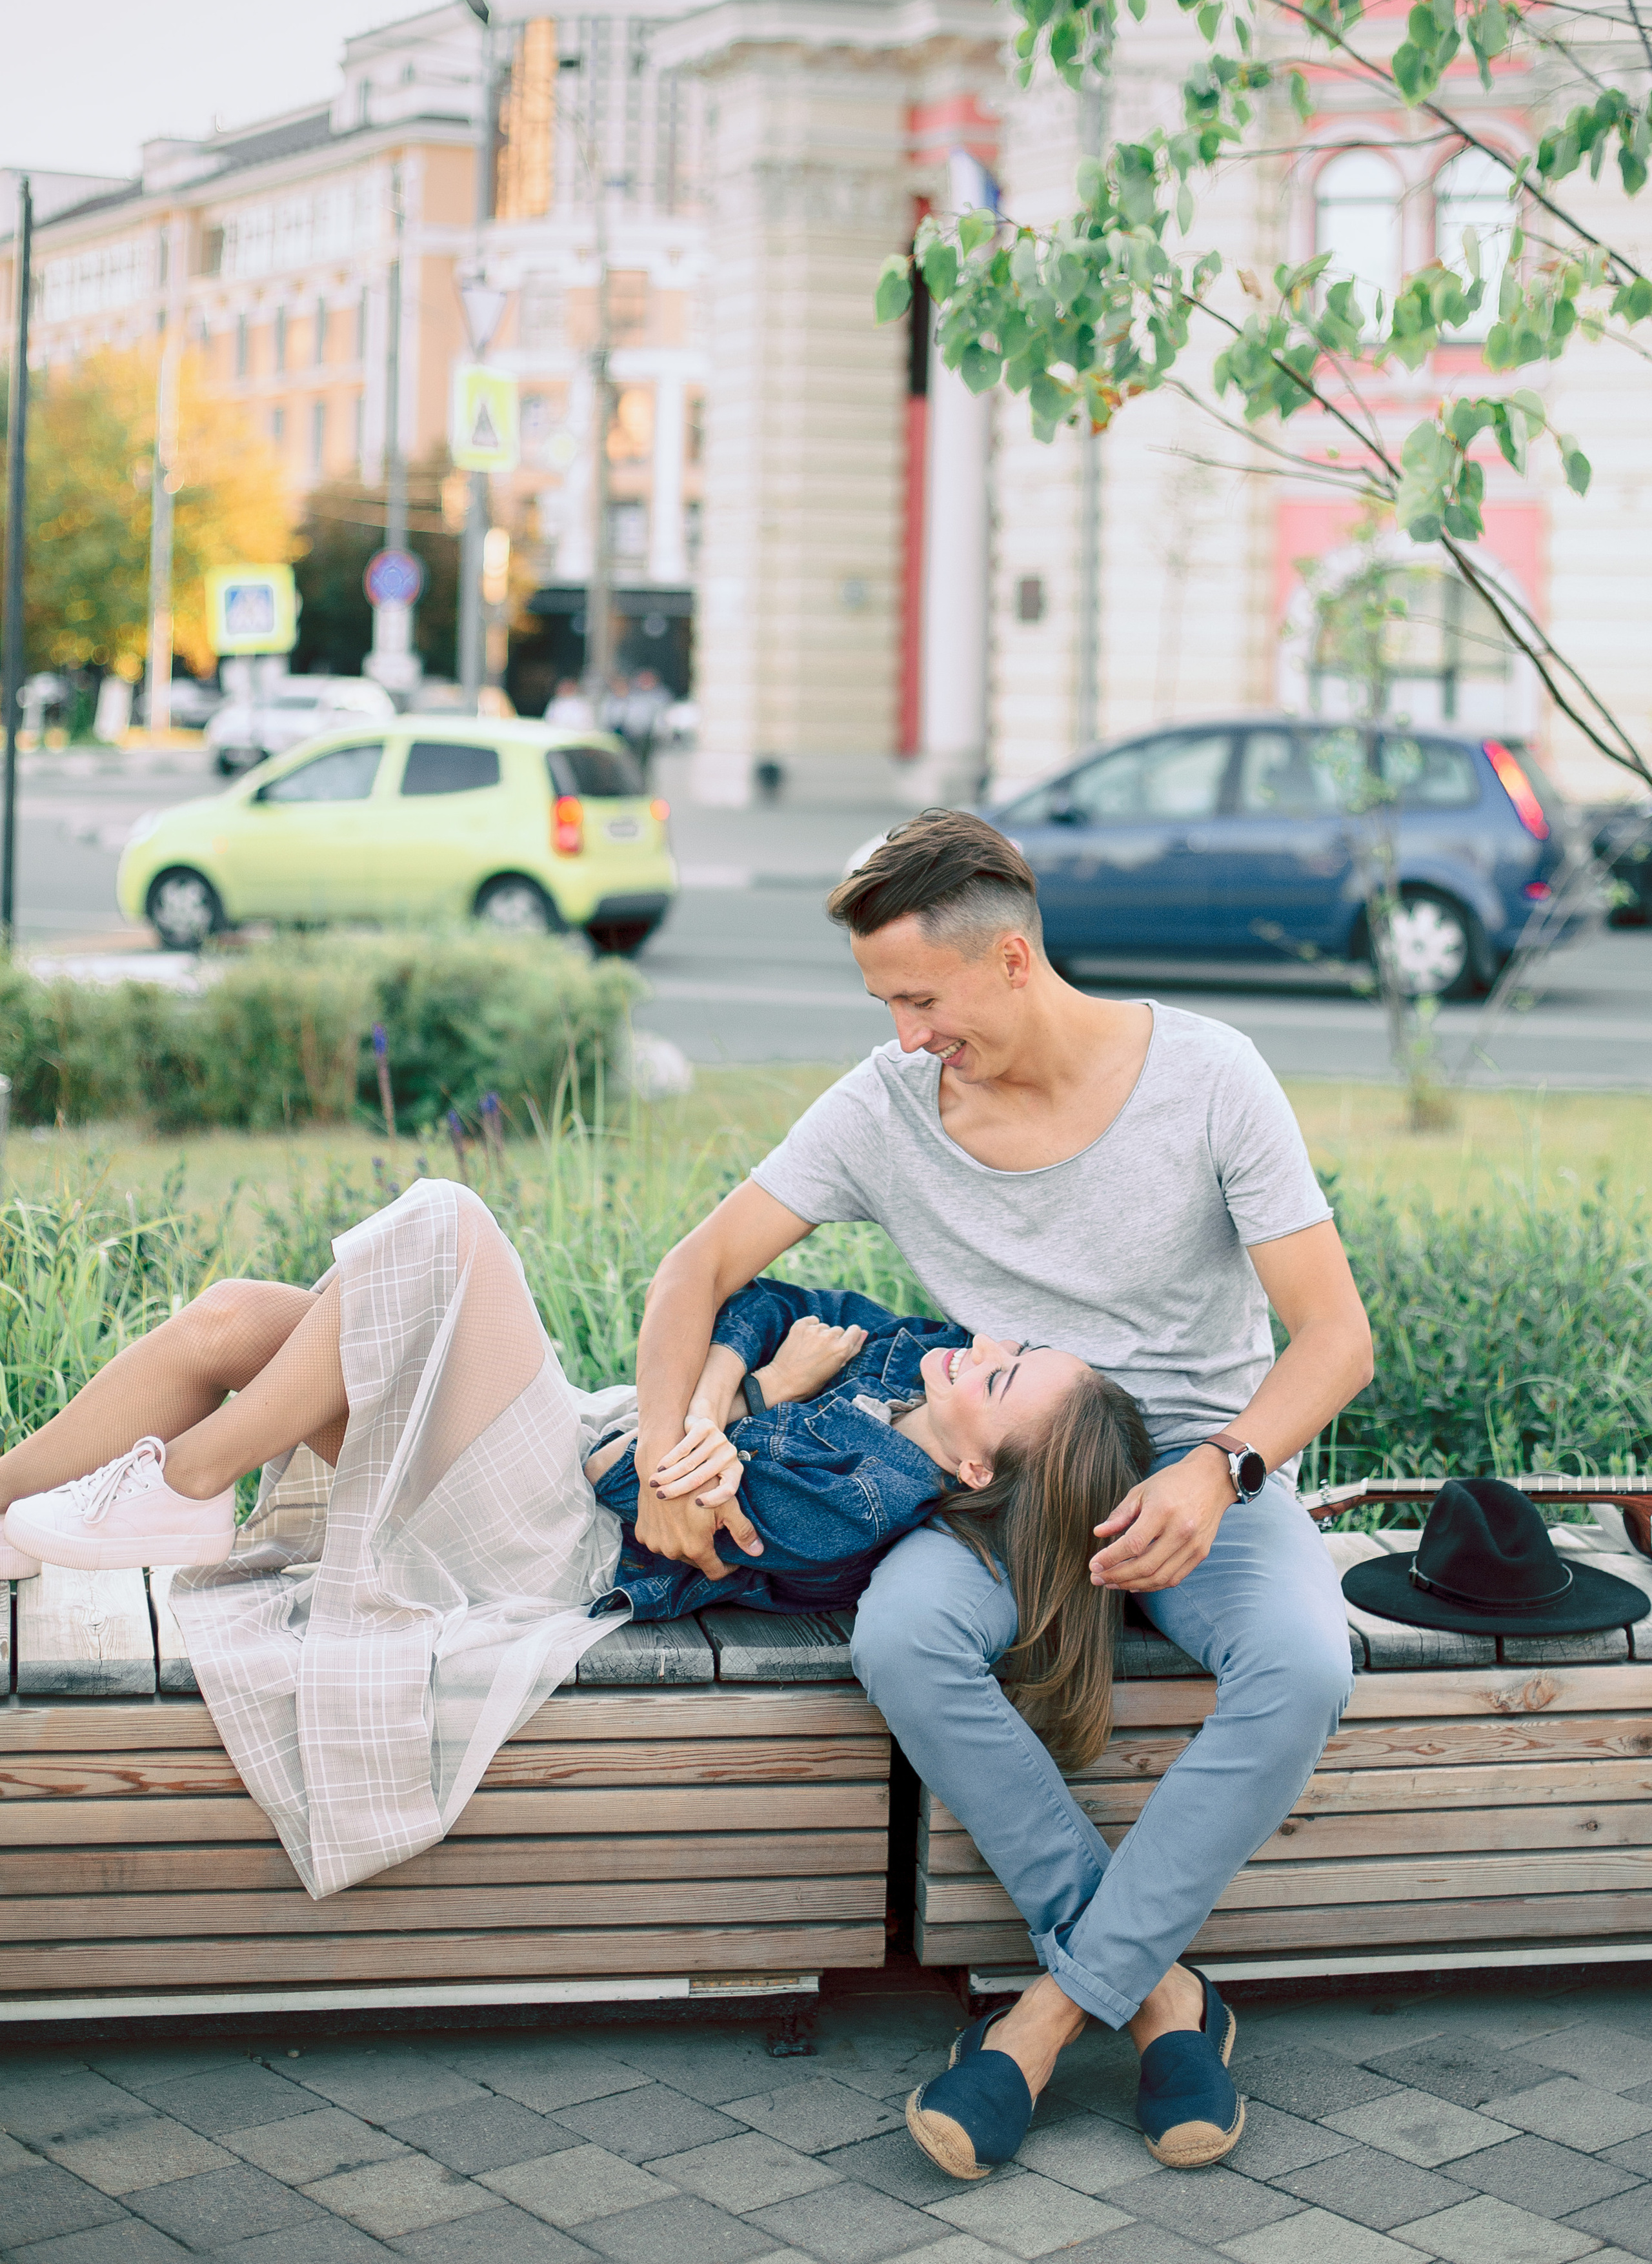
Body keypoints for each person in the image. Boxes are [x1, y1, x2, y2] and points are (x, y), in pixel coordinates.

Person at [626, 808, 1373, 2174]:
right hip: (996, 1481)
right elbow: (698, 1268)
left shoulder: (1208, 1078)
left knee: (1302, 1667)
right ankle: (1156, 1999)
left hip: (1200, 1465)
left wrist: (1221, 1471)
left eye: (919, 998)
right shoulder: (887, 1103)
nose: (904, 1035)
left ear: (1012, 958)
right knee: (901, 1638)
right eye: (884, 1003)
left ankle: (1034, 2026)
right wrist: (674, 1445)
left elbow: (1336, 1336)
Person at [0, 1179, 1147, 1899]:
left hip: (552, 1541)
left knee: (451, 1223)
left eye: (1000, 1376)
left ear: (979, 1467)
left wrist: (745, 1402)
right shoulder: (915, 1355)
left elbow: (616, 1483)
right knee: (238, 1320)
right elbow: (761, 1304)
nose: (978, 1346)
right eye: (1011, 1344)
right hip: (561, 1464)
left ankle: (190, 1481)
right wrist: (729, 1389)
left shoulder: (863, 1499)